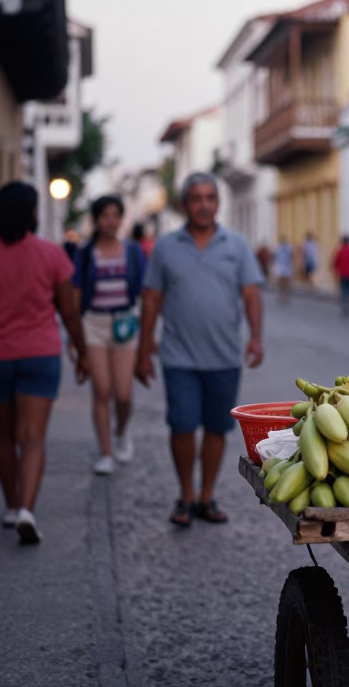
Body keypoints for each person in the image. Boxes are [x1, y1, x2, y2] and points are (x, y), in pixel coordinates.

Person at [0, 181, 90, 545]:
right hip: (40, 354)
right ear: (34, 213)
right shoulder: (53, 255)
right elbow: (69, 311)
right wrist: (83, 351)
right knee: (33, 438)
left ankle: (11, 506)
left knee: (4, 435)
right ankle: (27, 508)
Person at [135, 172, 264, 527]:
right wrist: (143, 349)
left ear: (217, 204)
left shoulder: (236, 245)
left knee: (216, 428)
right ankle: (186, 494)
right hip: (178, 357)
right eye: (197, 198)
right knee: (180, 425)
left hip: (224, 357)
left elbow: (251, 294)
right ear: (184, 204)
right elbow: (151, 298)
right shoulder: (165, 246)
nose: (204, 205)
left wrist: (256, 338)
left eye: (210, 197)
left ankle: (206, 496)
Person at [74, 195, 146, 475]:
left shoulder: (132, 251)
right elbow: (76, 294)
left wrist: (148, 334)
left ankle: (122, 429)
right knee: (101, 390)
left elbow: (144, 290)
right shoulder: (85, 252)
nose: (111, 221)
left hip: (126, 323)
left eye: (116, 215)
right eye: (105, 216)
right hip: (94, 323)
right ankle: (105, 451)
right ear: (96, 219)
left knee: (124, 393)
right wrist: (76, 341)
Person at [273, 236, 295, 303]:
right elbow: (275, 257)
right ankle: (281, 295)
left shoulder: (288, 248)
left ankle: (285, 296)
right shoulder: (278, 248)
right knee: (281, 282)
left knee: (286, 283)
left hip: (286, 267)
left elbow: (291, 257)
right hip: (281, 266)